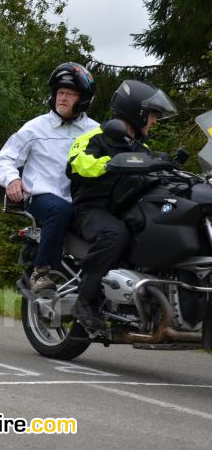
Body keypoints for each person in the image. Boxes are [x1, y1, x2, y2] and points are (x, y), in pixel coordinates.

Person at [66, 79, 177, 330]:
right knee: (115, 235)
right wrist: (110, 163)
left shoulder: (140, 147)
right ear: (136, 112)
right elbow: (77, 163)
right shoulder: (94, 137)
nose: (154, 121)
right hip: (91, 211)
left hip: (125, 210)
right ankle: (85, 300)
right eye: (152, 115)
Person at [0, 62, 99, 293]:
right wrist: (12, 180)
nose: (63, 98)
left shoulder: (95, 131)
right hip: (42, 197)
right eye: (60, 92)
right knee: (60, 210)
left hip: (79, 200)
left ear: (83, 99)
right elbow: (5, 158)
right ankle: (41, 271)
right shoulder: (35, 128)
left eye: (70, 94)